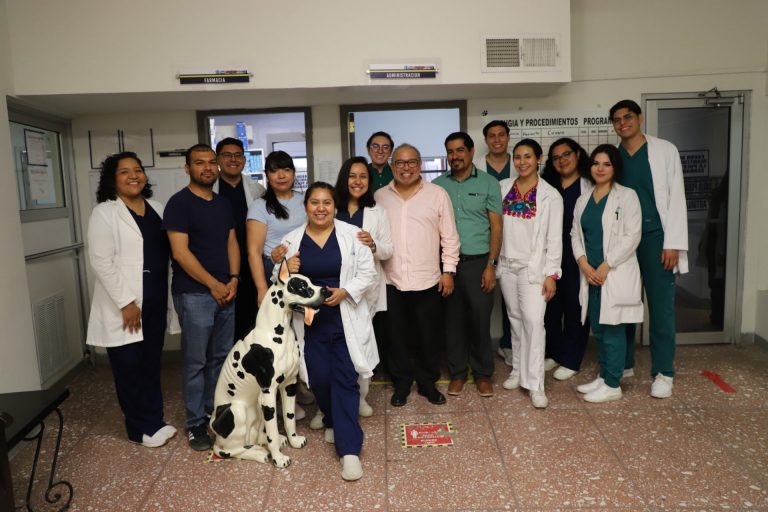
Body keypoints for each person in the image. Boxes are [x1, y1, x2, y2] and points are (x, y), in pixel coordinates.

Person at [278, 182, 378, 481]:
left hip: (345, 319)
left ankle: (350, 450)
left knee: (345, 379)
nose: (320, 208)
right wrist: (286, 268)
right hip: (311, 322)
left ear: (335, 206)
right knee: (319, 378)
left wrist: (346, 291)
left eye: (327, 203)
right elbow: (279, 283)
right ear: (305, 206)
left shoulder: (352, 235)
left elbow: (368, 273)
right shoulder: (291, 241)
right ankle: (332, 417)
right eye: (314, 202)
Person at [86, 152, 177, 448]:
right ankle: (138, 429)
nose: (133, 176)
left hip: (155, 298)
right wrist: (126, 303)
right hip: (125, 305)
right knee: (129, 367)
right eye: (124, 171)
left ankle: (155, 421)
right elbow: (101, 261)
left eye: (137, 170)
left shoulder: (156, 208)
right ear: (112, 179)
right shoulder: (104, 212)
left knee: (151, 363)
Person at [610, 99, 688, 398]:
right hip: (623, 241)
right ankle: (624, 364)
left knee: (661, 308)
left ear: (639, 118)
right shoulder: (614, 157)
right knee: (624, 302)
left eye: (627, 117)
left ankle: (664, 372)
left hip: (656, 237)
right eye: (617, 120)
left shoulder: (664, 150)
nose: (623, 123)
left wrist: (673, 243)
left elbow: (676, 198)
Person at [164, 143, 240, 451]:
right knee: (196, 362)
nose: (207, 167)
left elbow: (231, 242)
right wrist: (213, 284)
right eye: (199, 162)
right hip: (195, 294)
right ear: (188, 168)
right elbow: (180, 253)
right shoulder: (179, 204)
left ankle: (214, 412)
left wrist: (233, 279)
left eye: (211, 162)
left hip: (226, 292)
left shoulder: (223, 204)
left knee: (220, 359)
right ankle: (195, 423)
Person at [375, 143, 460, 407]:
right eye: (400, 162)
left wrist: (448, 271)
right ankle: (401, 384)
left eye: (411, 162)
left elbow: (450, 237)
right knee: (396, 337)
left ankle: (427, 383)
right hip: (391, 280)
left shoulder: (437, 194)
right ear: (392, 166)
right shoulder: (379, 196)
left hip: (428, 279)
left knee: (428, 336)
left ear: (420, 165)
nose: (406, 168)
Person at [572, 145, 643, 403]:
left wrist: (606, 264)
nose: (600, 168)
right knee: (600, 329)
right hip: (590, 274)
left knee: (613, 329)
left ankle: (613, 384)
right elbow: (575, 234)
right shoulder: (583, 199)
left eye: (607, 164)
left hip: (613, 272)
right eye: (596, 163)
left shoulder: (627, 196)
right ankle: (603, 376)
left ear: (615, 168)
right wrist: (583, 263)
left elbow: (632, 236)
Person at [434, 132, 502, 398]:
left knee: (480, 321)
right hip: (448, 266)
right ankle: (458, 374)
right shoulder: (438, 186)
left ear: (472, 151)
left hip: (479, 263)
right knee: (452, 322)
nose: (455, 156)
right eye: (450, 151)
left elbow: (496, 226)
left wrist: (491, 265)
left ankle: (483, 374)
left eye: (460, 150)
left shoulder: (488, 183)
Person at [498, 139, 563, 409]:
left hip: (532, 268)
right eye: (517, 157)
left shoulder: (550, 195)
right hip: (507, 265)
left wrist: (551, 274)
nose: (522, 162)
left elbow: (554, 238)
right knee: (515, 319)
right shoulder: (503, 187)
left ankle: (536, 384)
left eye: (527, 157)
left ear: (538, 159)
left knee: (534, 322)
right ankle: (517, 370)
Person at [334, 156, 393, 415]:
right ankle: (332, 402)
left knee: (362, 343)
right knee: (336, 344)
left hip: (365, 289)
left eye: (363, 177)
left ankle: (361, 397)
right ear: (344, 179)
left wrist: (373, 244)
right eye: (352, 176)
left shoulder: (377, 212)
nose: (357, 181)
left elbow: (388, 250)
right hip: (335, 287)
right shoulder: (331, 207)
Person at [540, 138, 592, 381]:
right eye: (556, 158)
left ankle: (571, 359)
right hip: (550, 253)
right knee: (550, 306)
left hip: (576, 255)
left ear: (578, 155)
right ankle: (554, 352)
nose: (561, 160)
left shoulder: (589, 185)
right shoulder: (547, 187)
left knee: (575, 305)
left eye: (566, 154)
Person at [214, 137, 266, 342]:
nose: (233, 159)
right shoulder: (210, 188)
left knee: (251, 321)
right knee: (223, 327)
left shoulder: (257, 190)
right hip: (220, 266)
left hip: (251, 264)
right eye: (227, 155)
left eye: (238, 155)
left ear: (244, 159)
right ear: (218, 159)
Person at [246, 150, 306, 307]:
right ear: (267, 176)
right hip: (275, 270)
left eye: (286, 170)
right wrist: (261, 288)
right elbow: (254, 252)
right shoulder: (259, 206)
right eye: (274, 171)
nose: (281, 176)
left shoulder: (307, 200)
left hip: (306, 267)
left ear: (293, 173)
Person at [481, 120, 514, 367]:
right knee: (484, 297)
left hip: (515, 237)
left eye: (501, 135)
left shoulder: (520, 163)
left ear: (508, 137)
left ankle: (509, 344)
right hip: (486, 238)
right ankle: (481, 349)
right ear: (486, 140)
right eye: (491, 136)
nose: (497, 140)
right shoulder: (476, 167)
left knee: (514, 298)